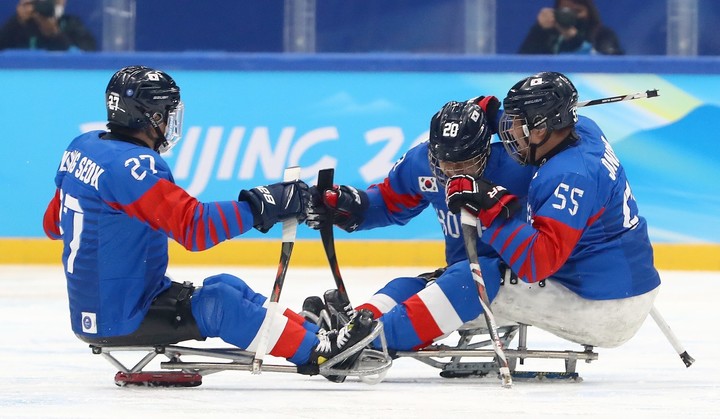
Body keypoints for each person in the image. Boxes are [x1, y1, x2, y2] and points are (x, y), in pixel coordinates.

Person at [42, 65, 374, 378]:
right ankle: (319, 353)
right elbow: (195, 228)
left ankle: (312, 332)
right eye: (167, 113)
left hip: (113, 303)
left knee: (225, 284)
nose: (171, 121)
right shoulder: (131, 168)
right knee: (221, 304)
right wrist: (267, 203)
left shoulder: (84, 146)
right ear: (151, 116)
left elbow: (52, 224)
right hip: (121, 316)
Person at [444, 71, 660, 347]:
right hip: (624, 283)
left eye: (517, 124)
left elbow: (536, 264)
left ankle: (387, 336)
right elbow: (535, 130)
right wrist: (493, 117)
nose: (510, 131)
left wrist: (491, 208)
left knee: (468, 284)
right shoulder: (585, 130)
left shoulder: (570, 177)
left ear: (542, 127)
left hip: (603, 308)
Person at [304, 98, 535, 352]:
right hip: (461, 273)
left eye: (464, 164)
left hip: (522, 277)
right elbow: (390, 202)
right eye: (445, 163)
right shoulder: (421, 164)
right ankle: (353, 326)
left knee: (465, 277)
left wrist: (501, 117)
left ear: (485, 152)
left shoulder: (521, 167)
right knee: (408, 286)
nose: (453, 173)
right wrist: (349, 207)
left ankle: (368, 341)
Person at [518, 0, 623, 55]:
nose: (570, 16)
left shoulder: (603, 34)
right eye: (565, 11)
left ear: (589, 12)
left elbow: (613, 64)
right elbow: (523, 62)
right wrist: (539, 30)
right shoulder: (547, 34)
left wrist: (573, 38)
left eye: (577, 11)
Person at [0, 0, 97, 51]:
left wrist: (55, 34)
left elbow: (86, 57)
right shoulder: (19, 25)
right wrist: (17, 21)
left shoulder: (71, 24)